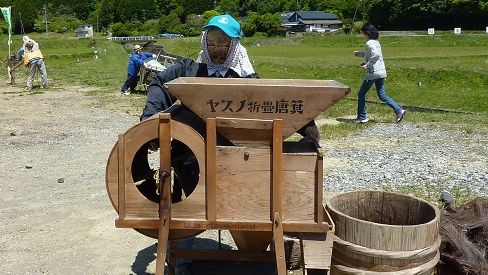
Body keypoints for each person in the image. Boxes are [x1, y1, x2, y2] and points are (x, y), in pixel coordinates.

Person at [139, 14, 320, 200]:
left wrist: (305, 124)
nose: (217, 51)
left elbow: (271, 103)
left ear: (234, 47)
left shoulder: (245, 78)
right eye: (212, 44)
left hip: (234, 157)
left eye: (224, 45)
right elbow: (161, 83)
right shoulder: (189, 70)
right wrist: (150, 119)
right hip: (188, 155)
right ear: (204, 42)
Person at [351, 23, 405, 124]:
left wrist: (367, 66)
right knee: (381, 95)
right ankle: (399, 110)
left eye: (363, 33)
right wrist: (360, 54)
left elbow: (375, 55)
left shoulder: (369, 43)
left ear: (367, 33)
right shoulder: (376, 42)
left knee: (361, 94)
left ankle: (362, 117)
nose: (363, 35)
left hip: (373, 73)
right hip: (381, 72)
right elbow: (371, 54)